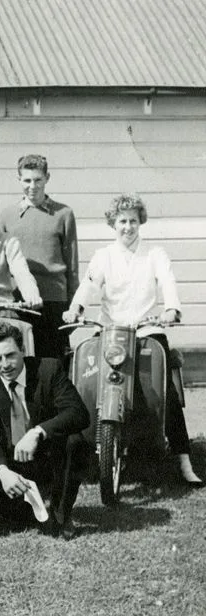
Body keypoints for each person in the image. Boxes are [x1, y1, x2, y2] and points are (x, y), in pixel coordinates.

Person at [63, 193, 203, 487]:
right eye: (122, 221)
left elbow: (167, 281)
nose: (127, 227)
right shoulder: (103, 256)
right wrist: (75, 307)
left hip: (146, 329)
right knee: (87, 381)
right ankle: (81, 452)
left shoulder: (155, 254)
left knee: (163, 388)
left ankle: (183, 459)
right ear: (113, 223)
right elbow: (89, 286)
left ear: (141, 222)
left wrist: (171, 308)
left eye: (133, 221)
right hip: (110, 330)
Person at [0, 323, 91, 539]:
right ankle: (32, 509)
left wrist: (38, 432)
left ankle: (61, 514)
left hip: (50, 456)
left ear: (23, 350)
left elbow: (78, 413)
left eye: (10, 355)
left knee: (76, 442)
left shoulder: (49, 370)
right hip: (13, 462)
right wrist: (3, 472)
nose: (5, 365)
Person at [0, 155, 79, 359]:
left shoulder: (63, 214)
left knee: (52, 363)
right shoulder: (6, 216)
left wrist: (74, 304)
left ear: (47, 178)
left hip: (53, 301)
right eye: (27, 180)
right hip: (18, 302)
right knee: (19, 360)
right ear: (19, 180)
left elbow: (72, 263)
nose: (32, 186)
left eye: (38, 180)